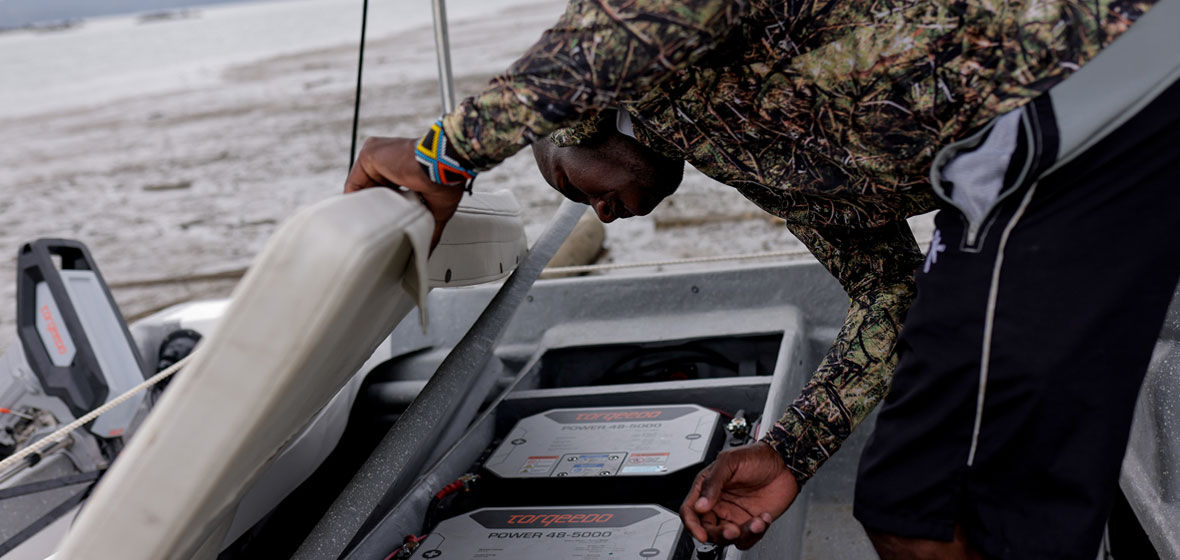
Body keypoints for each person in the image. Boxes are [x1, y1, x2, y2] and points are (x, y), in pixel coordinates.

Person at [344, 0, 1179, 557]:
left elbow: (633, 22)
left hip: (1086, 82)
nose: (597, 213)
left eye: (567, 182)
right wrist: (791, 448)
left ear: (578, 119)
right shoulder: (752, 157)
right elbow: (889, 294)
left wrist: (444, 154)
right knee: (920, 504)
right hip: (1030, 174)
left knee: (936, 507)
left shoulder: (645, 50)